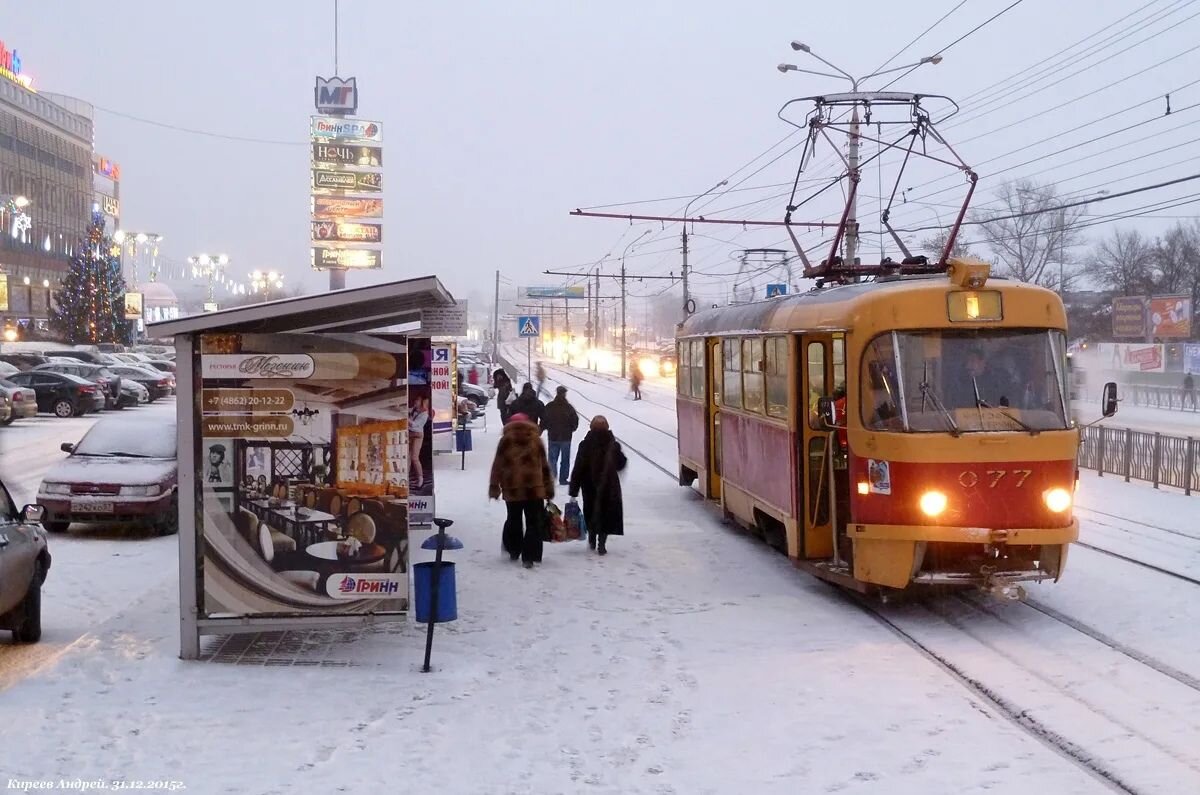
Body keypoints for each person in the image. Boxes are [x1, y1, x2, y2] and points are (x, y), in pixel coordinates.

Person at [488, 412, 554, 568]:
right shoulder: (536, 440)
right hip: (534, 489)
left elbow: (497, 465)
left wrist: (494, 487)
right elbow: (544, 466)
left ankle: (514, 550)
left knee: (513, 519)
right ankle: (529, 557)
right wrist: (548, 487)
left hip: (512, 489)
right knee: (533, 522)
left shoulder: (505, 441)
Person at [569, 415, 627, 555]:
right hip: (608, 484)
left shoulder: (585, 444)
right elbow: (620, 464)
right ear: (607, 427)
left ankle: (592, 537)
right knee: (606, 513)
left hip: (589, 484)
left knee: (591, 510)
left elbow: (578, 467)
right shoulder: (613, 444)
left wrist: (574, 490)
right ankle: (602, 543)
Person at [541, 385, 580, 485]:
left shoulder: (549, 406)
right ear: (564, 394)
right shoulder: (569, 407)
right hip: (566, 437)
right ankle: (563, 479)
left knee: (552, 459)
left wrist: (543, 428)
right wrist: (572, 429)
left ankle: (552, 477)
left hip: (553, 436)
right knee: (565, 460)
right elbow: (575, 420)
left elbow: (544, 420)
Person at [408, 396, 429, 489]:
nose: (415, 402)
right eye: (415, 400)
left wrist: (407, 420)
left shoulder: (424, 414)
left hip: (417, 435)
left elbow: (415, 426)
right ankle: (406, 477)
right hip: (410, 434)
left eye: (417, 400)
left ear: (421, 402)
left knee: (414, 458)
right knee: (407, 457)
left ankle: (420, 479)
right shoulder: (413, 410)